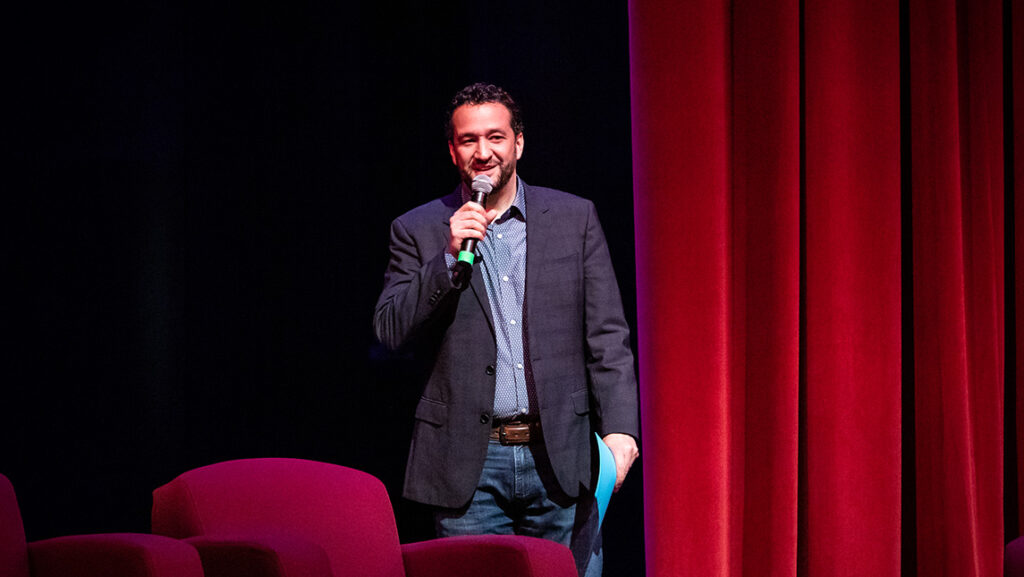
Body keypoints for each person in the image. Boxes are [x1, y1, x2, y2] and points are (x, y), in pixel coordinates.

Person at [373, 82, 639, 577]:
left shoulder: (573, 218)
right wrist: (447, 259)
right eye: (469, 140)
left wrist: (621, 431)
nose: (483, 152)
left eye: (495, 137)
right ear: (453, 151)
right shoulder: (418, 229)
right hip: (467, 465)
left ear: (518, 142)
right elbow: (389, 330)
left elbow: (607, 336)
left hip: (560, 454)